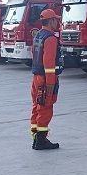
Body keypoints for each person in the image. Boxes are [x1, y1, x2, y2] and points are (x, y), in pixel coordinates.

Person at [30, 9, 63, 150]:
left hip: (36, 78)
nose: (57, 22)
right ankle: (41, 141)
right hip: (45, 79)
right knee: (45, 108)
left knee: (36, 107)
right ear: (51, 21)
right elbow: (48, 62)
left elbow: (33, 54)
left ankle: (35, 138)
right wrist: (50, 82)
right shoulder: (50, 38)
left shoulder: (38, 36)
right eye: (56, 20)